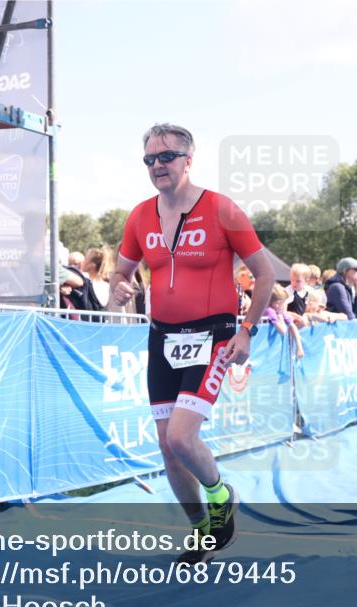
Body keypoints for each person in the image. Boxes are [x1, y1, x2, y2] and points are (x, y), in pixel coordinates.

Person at [109, 123, 274, 564]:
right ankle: (202, 529)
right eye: (149, 159)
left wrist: (247, 329)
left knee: (183, 438)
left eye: (166, 157)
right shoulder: (140, 216)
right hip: (162, 338)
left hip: (213, 335)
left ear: (188, 159)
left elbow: (265, 275)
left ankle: (222, 495)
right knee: (166, 446)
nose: (157, 165)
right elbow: (120, 274)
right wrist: (118, 288)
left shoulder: (222, 209)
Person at [264, 284, 304, 358]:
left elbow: (292, 326)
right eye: (284, 303)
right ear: (277, 304)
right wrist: (281, 319)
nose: (285, 305)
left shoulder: (280, 311)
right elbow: (283, 332)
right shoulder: (269, 311)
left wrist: (299, 347)